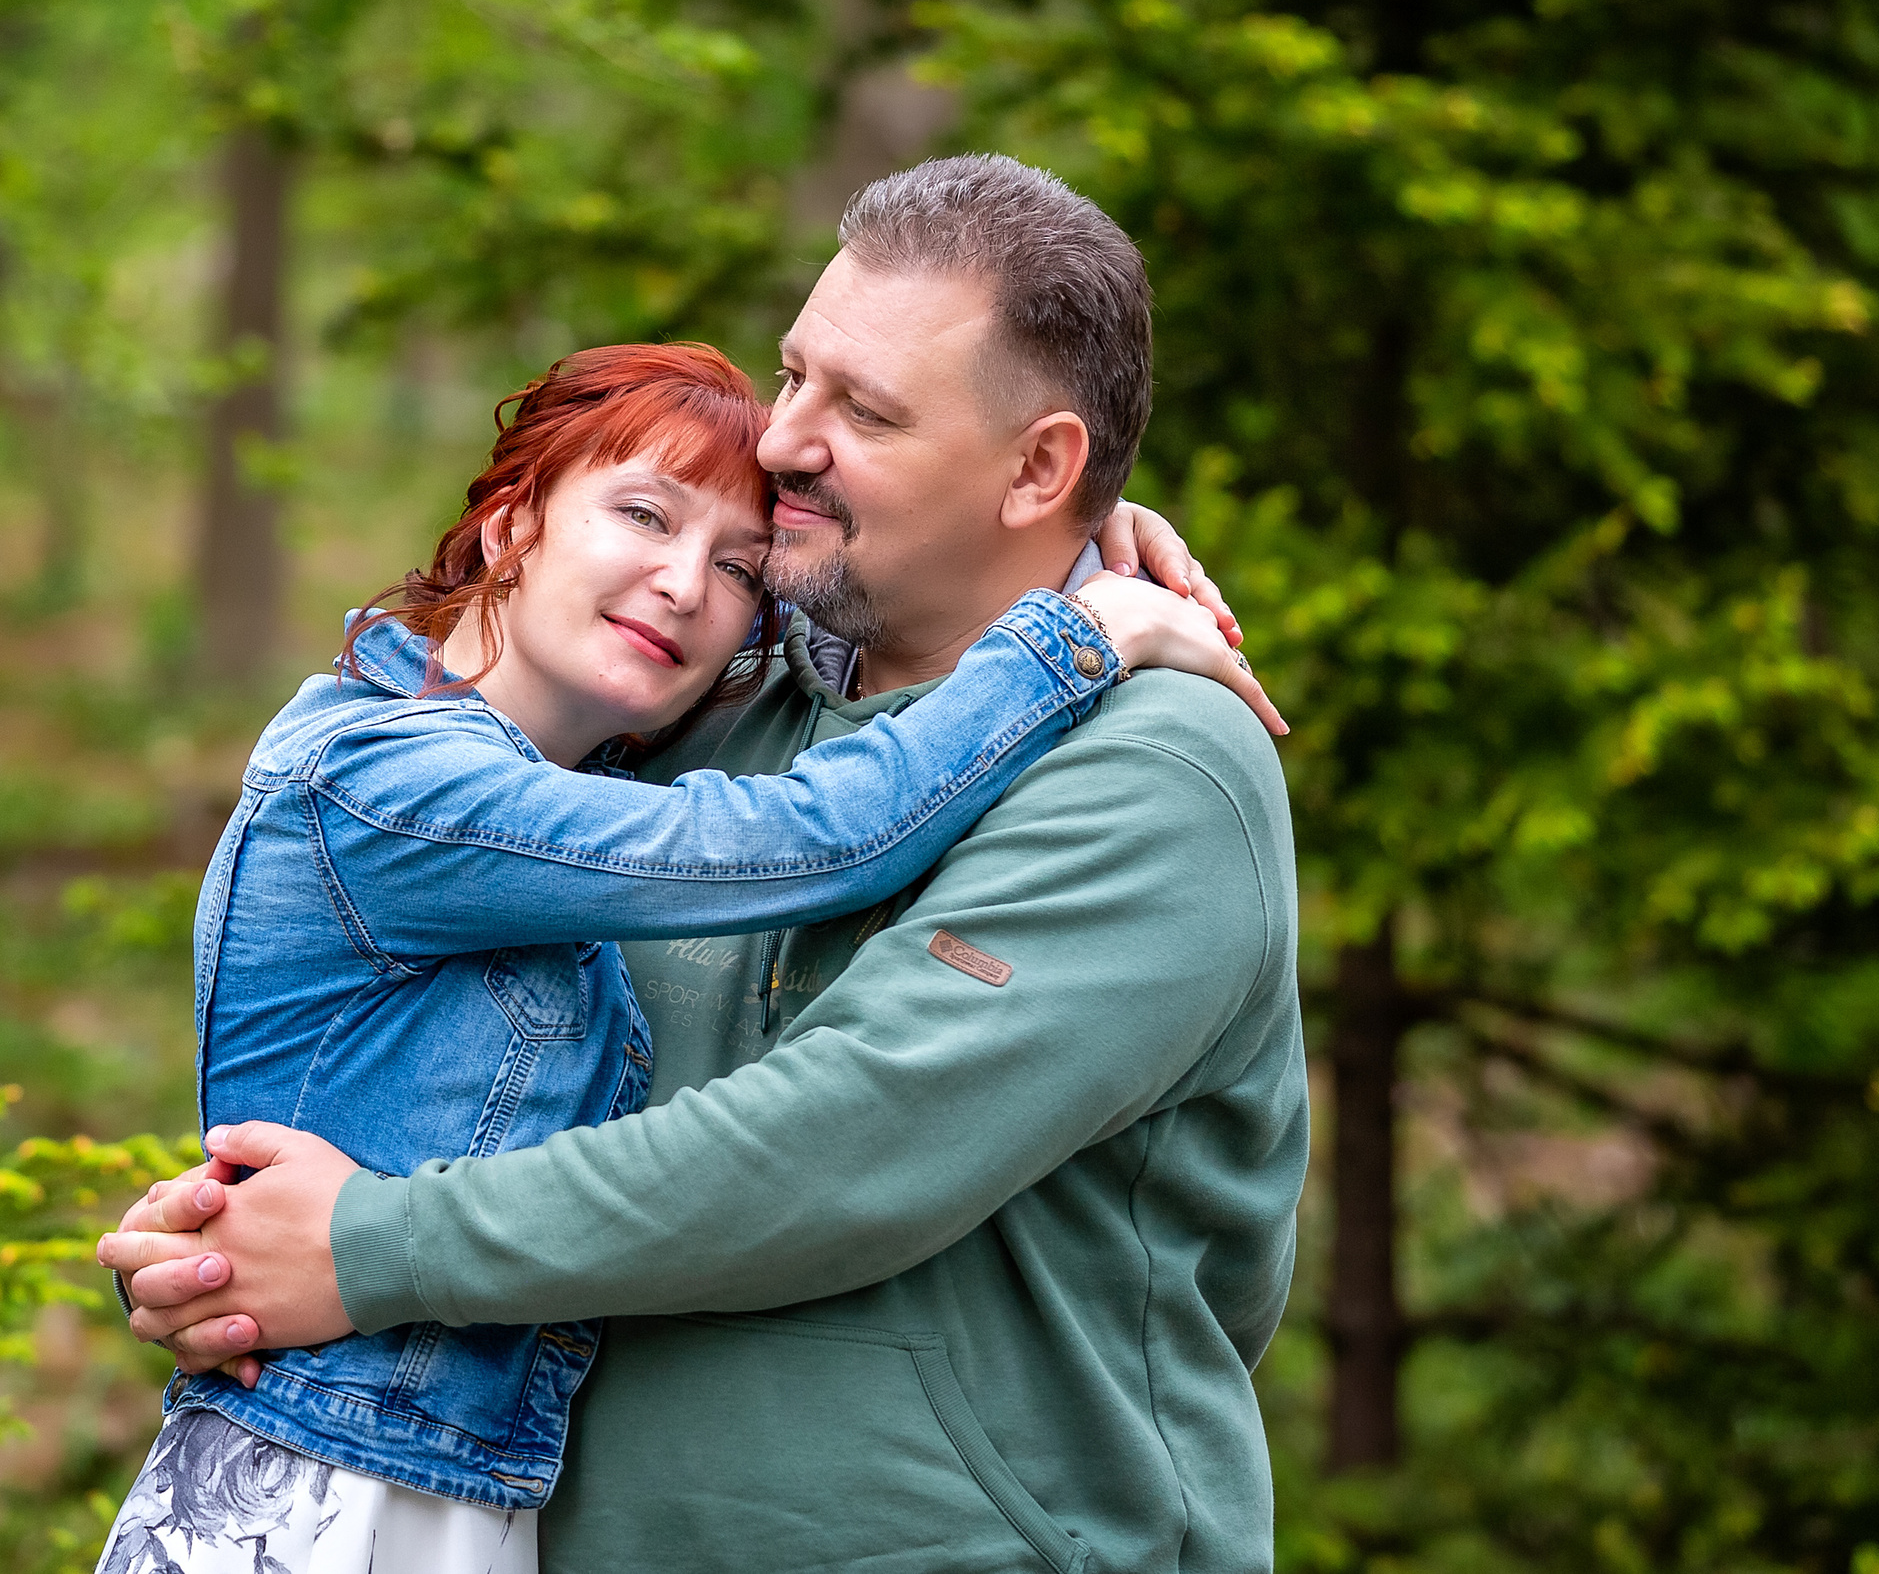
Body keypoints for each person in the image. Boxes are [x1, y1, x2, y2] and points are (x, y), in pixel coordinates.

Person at [93, 336, 1279, 1574]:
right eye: (642, 515)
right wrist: (1071, 633)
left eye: (735, 567)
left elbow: (874, 597)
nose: (679, 585)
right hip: (328, 1477)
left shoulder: (589, 767)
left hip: (451, 1480)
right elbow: (812, 835)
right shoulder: (385, 780)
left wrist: (1067, 536)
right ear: (510, 521)